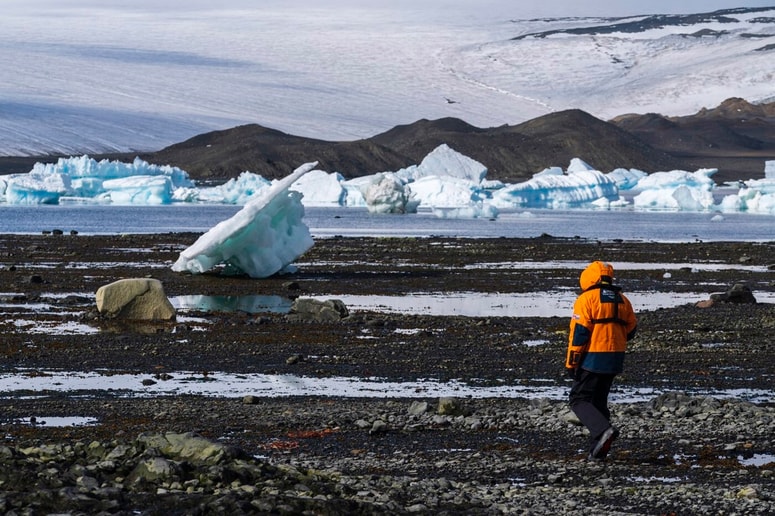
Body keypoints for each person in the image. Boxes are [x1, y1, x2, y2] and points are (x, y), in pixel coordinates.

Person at [566, 261, 637, 461]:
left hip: (592, 357)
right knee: (598, 401)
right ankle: (598, 450)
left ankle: (603, 431)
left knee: (579, 399)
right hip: (615, 357)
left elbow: (579, 334)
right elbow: (631, 330)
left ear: (589, 277)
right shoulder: (623, 300)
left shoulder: (586, 299)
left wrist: (572, 362)